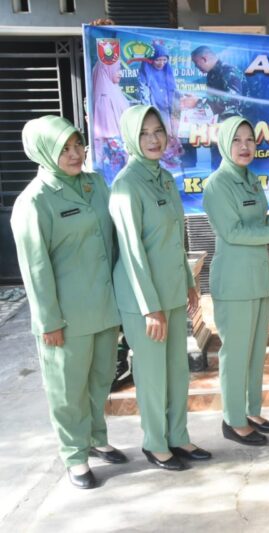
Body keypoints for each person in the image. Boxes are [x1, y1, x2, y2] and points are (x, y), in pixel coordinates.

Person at [11, 116, 126, 489]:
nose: (76, 154)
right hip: (67, 317)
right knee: (66, 389)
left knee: (100, 379)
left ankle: (96, 437)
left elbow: (114, 240)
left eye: (78, 145)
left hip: (104, 306)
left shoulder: (95, 184)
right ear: (44, 152)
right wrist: (48, 321)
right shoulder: (34, 202)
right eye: (65, 149)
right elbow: (35, 268)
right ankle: (74, 455)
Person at [109, 104, 211, 471]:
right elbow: (132, 252)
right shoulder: (125, 185)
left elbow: (176, 239)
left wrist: (188, 282)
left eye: (158, 132)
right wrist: (149, 306)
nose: (153, 139)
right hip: (143, 300)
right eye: (144, 133)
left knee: (176, 370)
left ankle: (178, 436)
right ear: (131, 139)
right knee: (152, 374)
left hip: (170, 288)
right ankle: (155, 442)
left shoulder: (165, 178)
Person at [202, 116, 269, 446]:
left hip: (258, 278)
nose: (245, 146)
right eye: (237, 140)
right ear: (224, 144)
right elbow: (233, 231)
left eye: (250, 139)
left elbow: (255, 221)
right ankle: (233, 420)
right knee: (235, 353)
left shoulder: (250, 179)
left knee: (254, 351)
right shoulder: (217, 185)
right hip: (234, 282)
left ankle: (251, 410)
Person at [91, 59, 129, 178]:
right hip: (114, 155)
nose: (120, 73)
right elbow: (109, 134)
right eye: (117, 70)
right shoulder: (104, 97)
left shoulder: (113, 90)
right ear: (107, 71)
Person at [138, 42, 178, 136]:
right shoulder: (145, 72)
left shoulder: (168, 71)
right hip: (153, 109)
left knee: (170, 136)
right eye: (158, 60)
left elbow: (174, 91)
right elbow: (144, 94)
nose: (161, 63)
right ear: (151, 60)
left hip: (169, 110)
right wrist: (150, 112)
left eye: (164, 60)